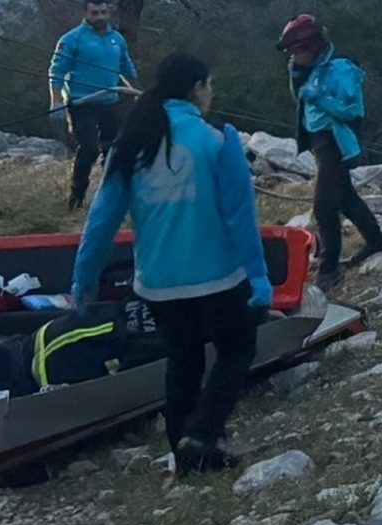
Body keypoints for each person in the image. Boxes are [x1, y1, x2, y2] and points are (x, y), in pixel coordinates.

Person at [70, 52, 271, 474]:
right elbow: (239, 216)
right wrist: (259, 276)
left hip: (158, 282)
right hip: (219, 276)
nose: (211, 94)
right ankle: (203, 433)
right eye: (209, 86)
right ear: (197, 89)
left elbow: (101, 221)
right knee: (237, 349)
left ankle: (185, 454)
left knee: (183, 359)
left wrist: (83, 279)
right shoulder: (217, 140)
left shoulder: (130, 143)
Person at [277, 15, 382, 289]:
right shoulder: (305, 69)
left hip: (335, 140)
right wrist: (299, 77)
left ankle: (329, 268)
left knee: (324, 204)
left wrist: (322, 98)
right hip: (318, 139)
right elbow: (302, 99)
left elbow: (352, 110)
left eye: (298, 51)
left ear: (314, 46)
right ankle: (377, 239)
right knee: (346, 196)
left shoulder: (340, 69)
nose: (295, 56)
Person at [48, 0, 138, 211]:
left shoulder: (117, 39)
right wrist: (56, 101)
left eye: (103, 12)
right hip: (82, 103)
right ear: (85, 14)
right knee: (88, 149)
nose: (99, 17)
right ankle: (77, 197)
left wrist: (137, 90)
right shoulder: (71, 39)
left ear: (109, 12)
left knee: (115, 150)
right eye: (94, 13)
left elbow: (126, 67)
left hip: (110, 101)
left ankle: (113, 198)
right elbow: (56, 71)